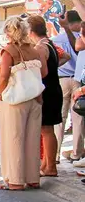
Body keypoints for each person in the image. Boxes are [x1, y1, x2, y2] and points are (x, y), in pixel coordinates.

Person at [0, 16, 45, 190]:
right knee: (32, 139)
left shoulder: (9, 51)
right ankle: (33, 178)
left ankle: (15, 180)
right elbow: (43, 72)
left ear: (9, 32)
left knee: (14, 138)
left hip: (16, 99)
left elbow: (3, 76)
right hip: (35, 97)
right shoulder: (34, 49)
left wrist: (1, 93)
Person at [27, 16, 63, 178]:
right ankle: (46, 164)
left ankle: (50, 167)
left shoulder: (41, 47)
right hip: (53, 88)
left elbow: (43, 72)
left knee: (46, 129)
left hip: (47, 91)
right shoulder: (49, 43)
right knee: (47, 129)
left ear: (30, 31)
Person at [51, 10, 83, 162]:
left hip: (61, 79)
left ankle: (55, 154)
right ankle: (77, 153)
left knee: (59, 119)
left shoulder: (56, 39)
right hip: (77, 79)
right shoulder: (80, 38)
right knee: (78, 119)